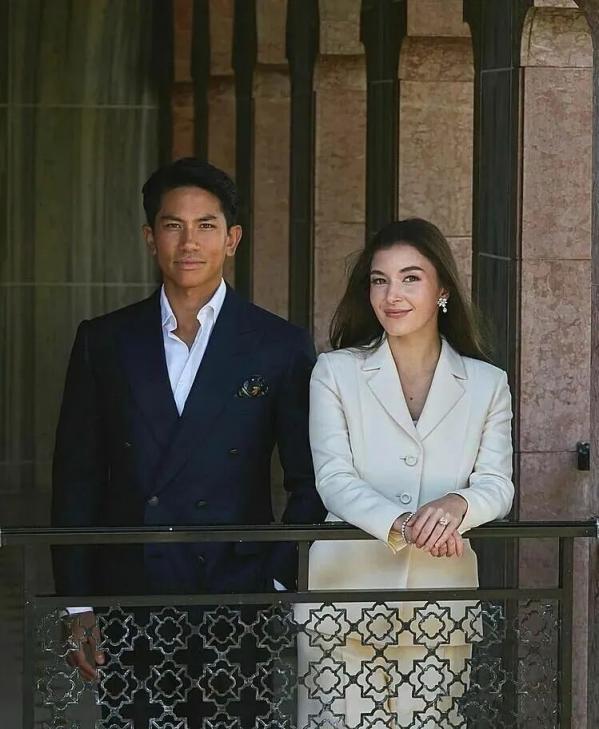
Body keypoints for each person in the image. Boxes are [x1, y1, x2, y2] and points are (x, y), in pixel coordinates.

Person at [51, 157, 325, 727]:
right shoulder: (105, 340)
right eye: (173, 225)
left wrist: (276, 577)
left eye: (206, 225)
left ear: (232, 239)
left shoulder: (278, 344)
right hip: (130, 591)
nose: (189, 242)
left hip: (237, 591)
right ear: (151, 238)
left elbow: (310, 480)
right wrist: (77, 601)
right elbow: (76, 477)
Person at [297, 218, 514, 728]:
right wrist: (402, 523)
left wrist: (459, 505)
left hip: (442, 604)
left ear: (443, 290)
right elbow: (333, 479)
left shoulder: (487, 383)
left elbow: (497, 483)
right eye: (380, 280)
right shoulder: (336, 372)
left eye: (410, 278)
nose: (392, 294)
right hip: (343, 600)